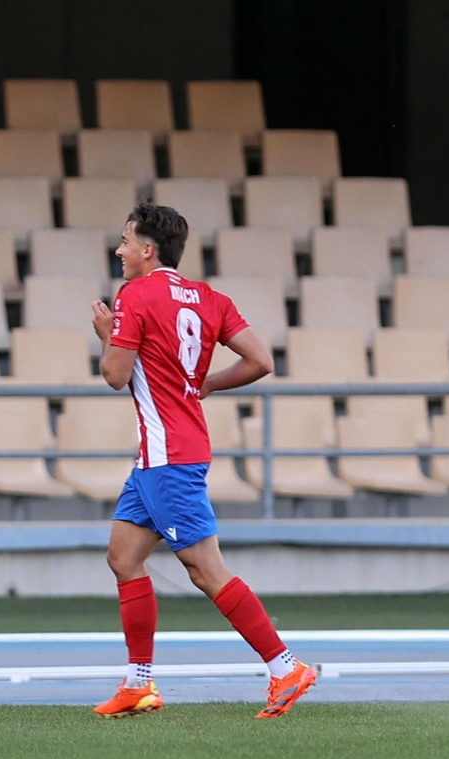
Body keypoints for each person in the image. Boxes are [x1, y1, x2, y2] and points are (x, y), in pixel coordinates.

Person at [89, 203, 317, 719]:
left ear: (148, 250)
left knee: (205, 569)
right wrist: (207, 382)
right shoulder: (210, 298)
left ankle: (285, 667)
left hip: (168, 459)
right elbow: (261, 361)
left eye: (125, 241)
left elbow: (115, 375)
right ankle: (139, 684)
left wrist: (107, 334)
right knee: (123, 557)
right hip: (163, 456)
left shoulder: (136, 295)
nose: (120, 250)